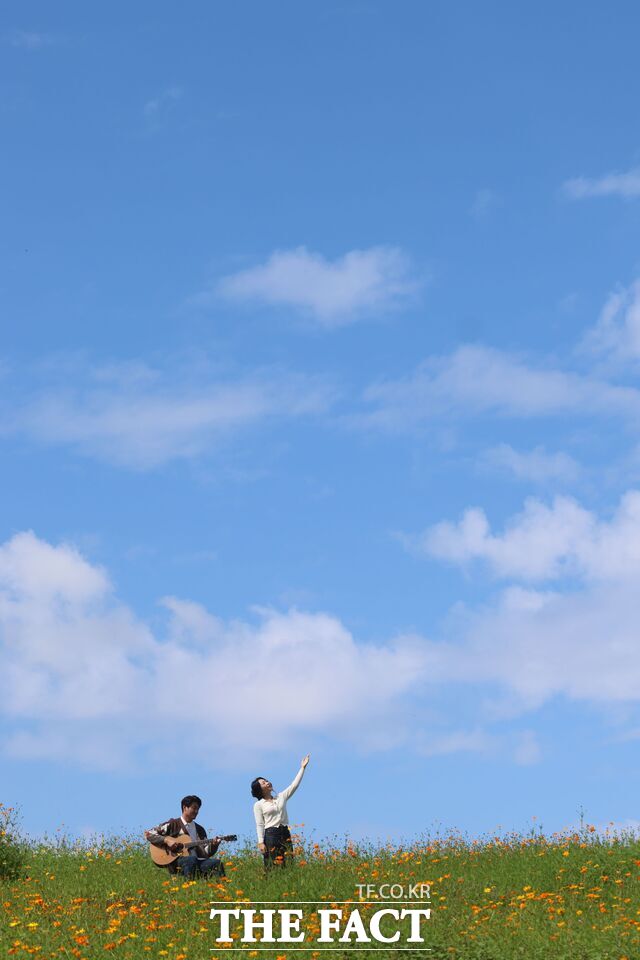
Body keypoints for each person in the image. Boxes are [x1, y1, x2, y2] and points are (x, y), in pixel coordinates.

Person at [145, 794, 226, 878]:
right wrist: (167, 841)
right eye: (194, 808)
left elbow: (205, 853)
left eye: (198, 809)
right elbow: (149, 834)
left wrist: (214, 845)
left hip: (197, 861)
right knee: (191, 859)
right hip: (177, 862)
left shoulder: (200, 829)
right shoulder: (173, 824)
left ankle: (222, 889)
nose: (196, 811)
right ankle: (188, 888)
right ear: (184, 808)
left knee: (217, 863)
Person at [251, 755, 310, 868]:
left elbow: (294, 785)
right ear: (259, 789)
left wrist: (302, 768)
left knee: (289, 863)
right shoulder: (258, 805)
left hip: (285, 832)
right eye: (263, 783)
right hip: (271, 835)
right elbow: (259, 824)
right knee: (272, 866)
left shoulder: (281, 797)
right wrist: (260, 842)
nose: (267, 782)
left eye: (266, 781)